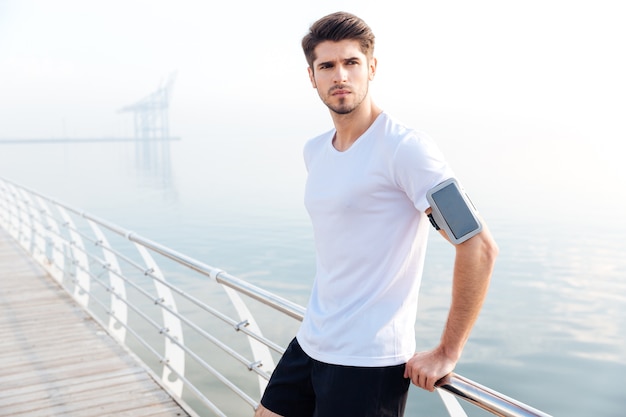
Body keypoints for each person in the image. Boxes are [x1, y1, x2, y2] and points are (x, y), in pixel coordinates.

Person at [255, 11, 498, 417]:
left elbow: (478, 247)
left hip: (368, 360)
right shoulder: (315, 151)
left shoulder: (406, 150)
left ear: (372, 67)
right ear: (311, 76)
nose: (341, 76)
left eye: (351, 63)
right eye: (327, 66)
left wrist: (446, 352)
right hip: (313, 340)